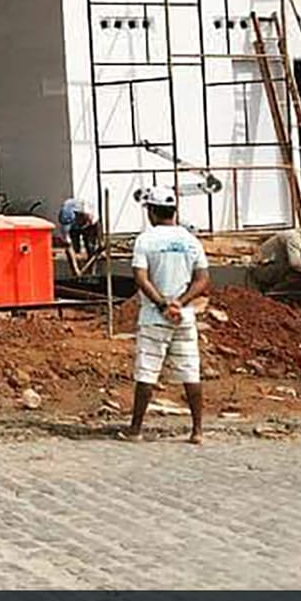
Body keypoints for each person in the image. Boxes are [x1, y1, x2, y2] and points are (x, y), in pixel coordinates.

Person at [124, 186, 210, 443]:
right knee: (190, 372)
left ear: (151, 211)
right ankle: (197, 431)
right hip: (183, 316)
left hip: (154, 317)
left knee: (147, 372)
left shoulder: (146, 240)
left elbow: (140, 278)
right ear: (173, 211)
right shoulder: (191, 240)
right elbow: (203, 279)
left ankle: (136, 429)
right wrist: (180, 303)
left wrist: (162, 305)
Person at [250, 224, 301, 303]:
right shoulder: (294, 239)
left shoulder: (300, 241)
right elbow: (295, 262)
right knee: (296, 273)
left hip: (274, 267)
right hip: (263, 269)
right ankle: (273, 294)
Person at [56, 196, 101, 267]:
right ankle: (77, 269)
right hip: (77, 224)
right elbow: (67, 244)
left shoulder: (88, 213)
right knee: (74, 247)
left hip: (89, 224)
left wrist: (98, 242)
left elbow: (95, 227)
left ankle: (92, 267)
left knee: (90, 246)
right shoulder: (65, 217)